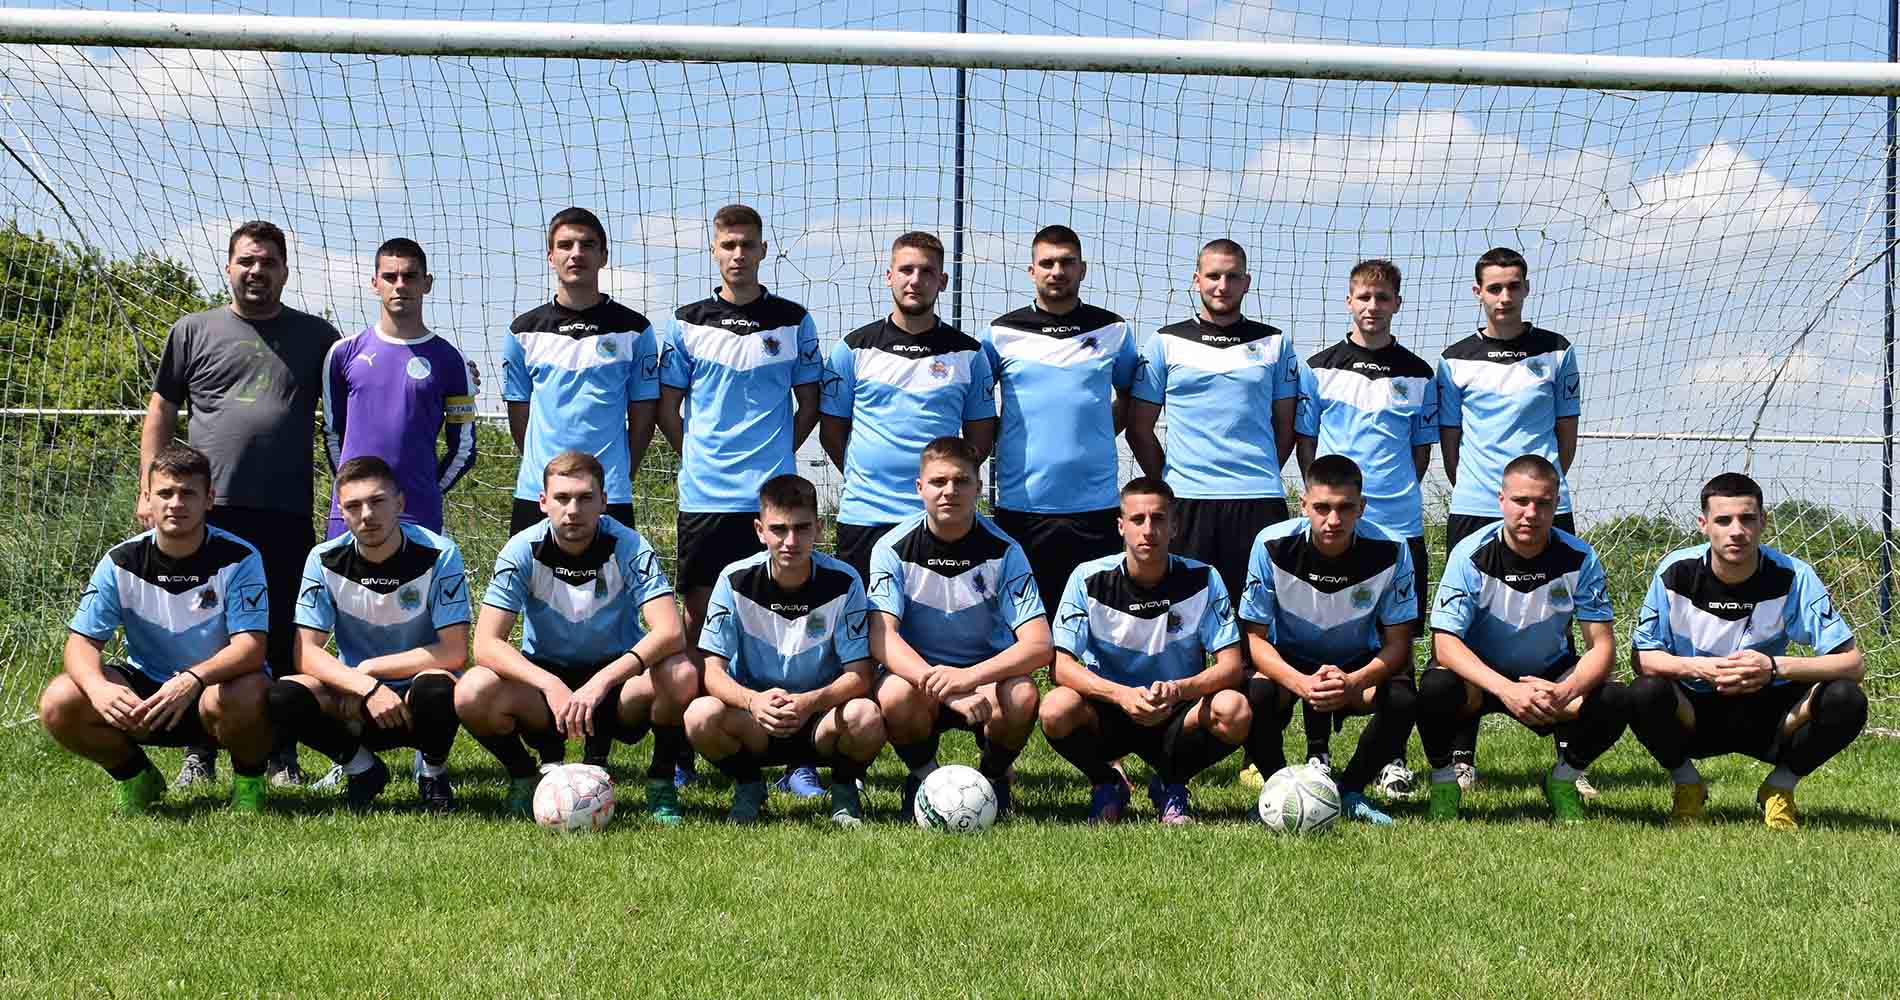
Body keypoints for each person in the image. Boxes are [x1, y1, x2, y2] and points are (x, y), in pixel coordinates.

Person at [142, 219, 341, 788]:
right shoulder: (192, 330)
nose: (257, 271)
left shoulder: (317, 337)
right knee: (207, 633)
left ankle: (282, 753)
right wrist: (148, 489)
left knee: (280, 635)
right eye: (247, 261)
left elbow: (360, 394)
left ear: (285, 271)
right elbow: (161, 411)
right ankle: (199, 753)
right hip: (209, 511)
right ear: (228, 267)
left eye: (268, 262)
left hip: (285, 512)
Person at [659, 203, 822, 793]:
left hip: (770, 501)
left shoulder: (793, 320)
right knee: (699, 621)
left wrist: (773, 458)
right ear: (714, 250)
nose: (738, 254)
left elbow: (809, 406)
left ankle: (796, 756)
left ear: (762, 251)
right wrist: (701, 459)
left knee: (785, 623)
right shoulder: (686, 322)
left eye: (747, 244)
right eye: (728, 245)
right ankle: (685, 748)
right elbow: (667, 408)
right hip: (706, 498)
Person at [454, 451, 694, 822]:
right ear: (543, 502)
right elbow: (485, 644)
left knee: (680, 673)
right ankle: (524, 775)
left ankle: (661, 782)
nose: (573, 510)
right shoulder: (522, 550)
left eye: (585, 498)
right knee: (472, 690)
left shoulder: (629, 546)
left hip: (616, 683)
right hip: (546, 685)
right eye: (562, 498)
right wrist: (549, 684)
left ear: (603, 501)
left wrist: (601, 683)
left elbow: (670, 631)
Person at [39, 444, 272, 813]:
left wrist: (192, 679)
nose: (176, 503)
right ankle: (137, 777)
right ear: (147, 498)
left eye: (188, 493)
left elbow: (251, 648)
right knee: (59, 700)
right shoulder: (120, 561)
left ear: (209, 499)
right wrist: (98, 688)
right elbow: (80, 643)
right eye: (165, 493)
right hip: (147, 697)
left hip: (213, 691)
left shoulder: (241, 557)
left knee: (249, 691)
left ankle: (249, 785)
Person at [1628, 473, 1867, 829]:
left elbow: (1853, 663)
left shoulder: (1793, 575)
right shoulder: (1675, 573)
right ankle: (1687, 784)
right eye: (1723, 520)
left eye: (1747, 519)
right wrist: (1700, 668)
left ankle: (1780, 788)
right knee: (1643, 692)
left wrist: (1772, 667)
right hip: (1696, 710)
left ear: (1763, 522)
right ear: (1703, 525)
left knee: (1847, 698)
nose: (1737, 531)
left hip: (1771, 713)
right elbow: (1642, 658)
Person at [1433, 247, 1584, 793]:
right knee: (1467, 627)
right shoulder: (1453, 360)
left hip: (1545, 505)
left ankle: (1570, 757)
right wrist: (1483, 490)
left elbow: (1565, 437)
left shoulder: (1557, 352)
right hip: (1477, 504)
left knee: (1556, 621)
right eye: (1494, 288)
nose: (1504, 297)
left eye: (1513, 286)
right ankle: (1461, 757)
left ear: (1526, 289)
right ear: (1478, 292)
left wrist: (1540, 492)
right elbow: (1451, 442)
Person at [1293, 258, 1437, 797]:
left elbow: (1420, 454)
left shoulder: (1419, 374)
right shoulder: (1318, 368)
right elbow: (1308, 446)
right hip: (1335, 526)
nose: (1372, 306)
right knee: (1322, 632)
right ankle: (1318, 753)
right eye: (1363, 297)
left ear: (1397, 303)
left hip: (1398, 527)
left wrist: (1388, 501)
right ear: (1348, 302)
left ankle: (1392, 758)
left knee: (1398, 640)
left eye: (1382, 298)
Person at [1418, 455, 1629, 822]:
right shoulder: (1469, 554)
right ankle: (1445, 783)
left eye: (1543, 503)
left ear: (1556, 504)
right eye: (1520, 501)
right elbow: (1445, 643)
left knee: (1616, 697)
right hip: (1484, 680)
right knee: (1436, 686)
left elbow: (1602, 646)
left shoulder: (1580, 557)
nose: (1531, 513)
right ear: (1501, 501)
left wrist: (1565, 690)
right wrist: (1505, 689)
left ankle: (1563, 778)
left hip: (1549, 678)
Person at [1039, 477, 1251, 825]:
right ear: (1121, 526)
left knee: (1234, 709)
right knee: (1055, 708)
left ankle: (1171, 782)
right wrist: (1121, 695)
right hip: (1109, 708)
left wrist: (1178, 690)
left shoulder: (1204, 578)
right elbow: (1061, 667)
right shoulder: (1087, 579)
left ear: (1174, 526)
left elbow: (1230, 666)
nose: (1148, 529)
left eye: (1159, 518)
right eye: (1138, 519)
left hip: (1175, 710)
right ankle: (1107, 783)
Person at [266, 457, 469, 812]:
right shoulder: (323, 559)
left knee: (438, 687)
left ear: (400, 504)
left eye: (377, 501)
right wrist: (363, 686)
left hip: (415, 697)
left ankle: (432, 772)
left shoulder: (440, 553)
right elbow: (305, 652)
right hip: (354, 700)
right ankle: (361, 769)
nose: (367, 515)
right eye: (353, 506)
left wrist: (371, 670)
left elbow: (453, 651)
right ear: (341, 513)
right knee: (284, 694)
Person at [683, 475, 884, 826]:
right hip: (756, 721)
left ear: (818, 529)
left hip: (820, 719)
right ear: (760, 530)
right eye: (779, 529)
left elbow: (861, 675)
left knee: (865, 716)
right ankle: (749, 785)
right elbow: (712, 672)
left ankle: (843, 791)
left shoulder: (845, 580)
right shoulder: (734, 580)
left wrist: (809, 702)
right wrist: (753, 701)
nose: (791, 541)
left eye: (802, 528)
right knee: (699, 715)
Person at [866, 437, 1049, 819]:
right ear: (920, 488)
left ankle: (993, 778)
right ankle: (924, 779)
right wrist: (946, 688)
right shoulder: (891, 548)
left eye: (961, 481)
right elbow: (882, 637)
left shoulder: (1006, 550)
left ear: (979, 487)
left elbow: (1038, 645)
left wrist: (967, 678)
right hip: (920, 681)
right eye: (938, 481)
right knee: (894, 694)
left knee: (1022, 695)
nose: (949, 491)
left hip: (983, 680)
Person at [1238, 455, 1418, 825]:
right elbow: (1255, 639)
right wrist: (1301, 683)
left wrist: (1353, 682)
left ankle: (1350, 791)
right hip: (1291, 661)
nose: (1333, 520)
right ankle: (1277, 790)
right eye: (1322, 508)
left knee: (1403, 697)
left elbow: (1399, 645)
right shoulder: (1270, 544)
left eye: (1345, 508)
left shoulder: (1393, 549)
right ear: (1303, 504)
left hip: (1355, 663)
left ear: (1361, 507)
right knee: (1255, 692)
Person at [819, 231, 997, 582]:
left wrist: (944, 487)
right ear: (889, 276)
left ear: (942, 281)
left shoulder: (969, 354)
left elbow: (980, 440)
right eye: (906, 270)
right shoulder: (852, 349)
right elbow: (832, 433)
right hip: (866, 517)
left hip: (938, 520)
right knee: (867, 615)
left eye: (927, 271)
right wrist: (867, 476)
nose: (915, 280)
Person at [1127, 237, 1298, 600]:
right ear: (1196, 280)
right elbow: (1139, 429)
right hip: (1187, 500)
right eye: (1213, 276)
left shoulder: (1275, 343)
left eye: (1233, 277)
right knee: (1184, 616)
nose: (1223, 286)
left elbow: (1287, 427)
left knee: (1258, 616)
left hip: (1258, 498)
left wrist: (1260, 468)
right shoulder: (1164, 342)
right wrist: (1170, 482)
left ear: (1247, 283)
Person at [982, 225, 1139, 614]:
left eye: (1067, 262)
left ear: (1082, 269)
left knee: (1095, 619)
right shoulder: (1000, 334)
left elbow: (1130, 397)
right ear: (1031, 270)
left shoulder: (1114, 330)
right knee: (1025, 623)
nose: (1057, 271)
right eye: (1047, 263)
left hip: (1095, 507)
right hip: (1022, 506)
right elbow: (976, 408)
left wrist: (1096, 432)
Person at [503, 206, 660, 535]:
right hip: (539, 493)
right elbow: (519, 416)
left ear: (604, 256)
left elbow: (644, 416)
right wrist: (548, 472)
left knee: (612, 572)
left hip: (607, 492)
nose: (576, 253)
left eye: (587, 245)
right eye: (565, 245)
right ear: (550, 256)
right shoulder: (522, 331)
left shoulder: (635, 330)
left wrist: (618, 474)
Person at [319, 238, 477, 540]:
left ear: (427, 283)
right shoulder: (343, 353)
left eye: (410, 276)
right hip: (351, 514)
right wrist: (353, 490)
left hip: (417, 511)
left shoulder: (451, 360)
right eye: (390, 277)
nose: (400, 285)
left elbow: (464, 447)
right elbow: (332, 433)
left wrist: (426, 489)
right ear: (375, 283)